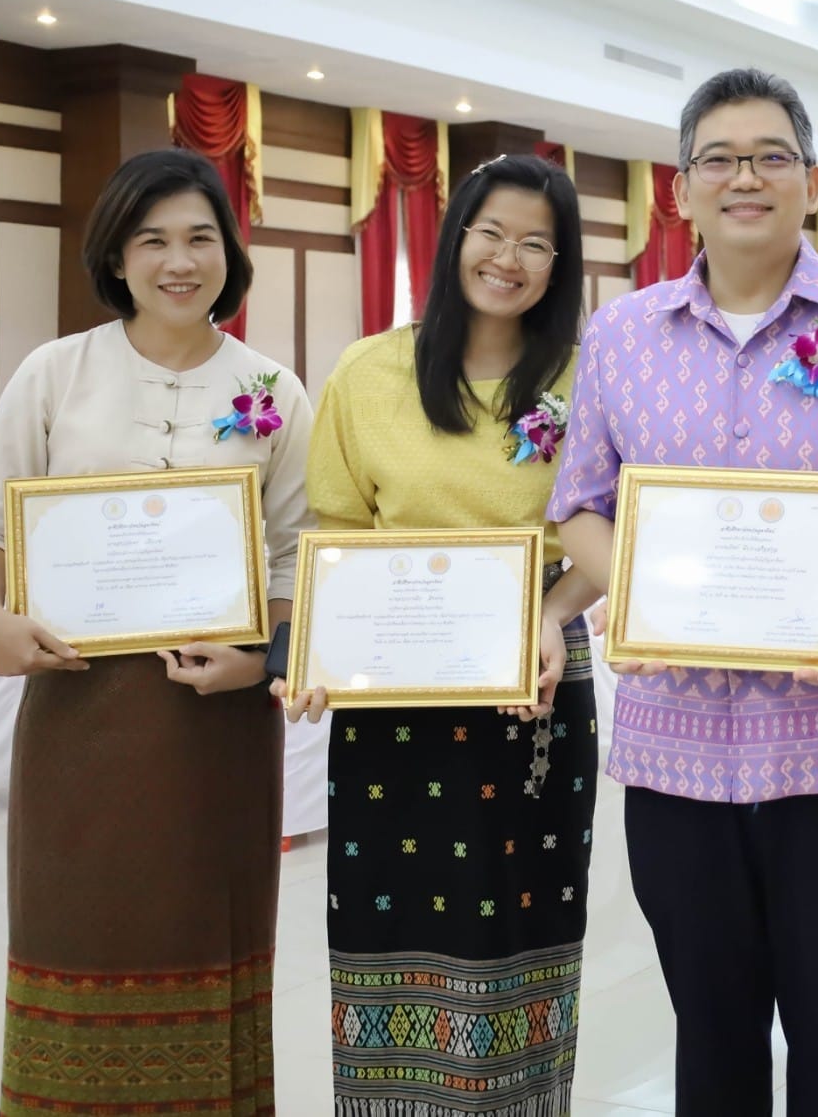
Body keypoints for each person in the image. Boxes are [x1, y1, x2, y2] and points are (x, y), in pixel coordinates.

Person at [548, 68, 818, 1116]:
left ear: (812, 181)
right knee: (710, 1023)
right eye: (719, 159)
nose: (745, 177)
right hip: (675, 750)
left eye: (769, 156)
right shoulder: (620, 335)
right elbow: (578, 506)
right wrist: (640, 595)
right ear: (681, 189)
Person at [0, 148, 313, 1115]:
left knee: (211, 935)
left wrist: (258, 661)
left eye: (200, 237)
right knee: (78, 932)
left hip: (218, 728)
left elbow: (295, 558)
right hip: (78, 717)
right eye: (152, 239)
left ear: (229, 253)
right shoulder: (55, 373)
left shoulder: (274, 389)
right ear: (116, 256)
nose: (178, 261)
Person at [277, 155, 603, 1114]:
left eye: (537, 243)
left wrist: (550, 611)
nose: (509, 257)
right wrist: (315, 652)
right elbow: (332, 529)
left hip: (532, 684)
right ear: (453, 234)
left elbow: (611, 527)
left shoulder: (589, 377)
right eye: (491, 231)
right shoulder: (369, 370)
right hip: (394, 702)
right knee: (389, 934)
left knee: (518, 942)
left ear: (561, 263)